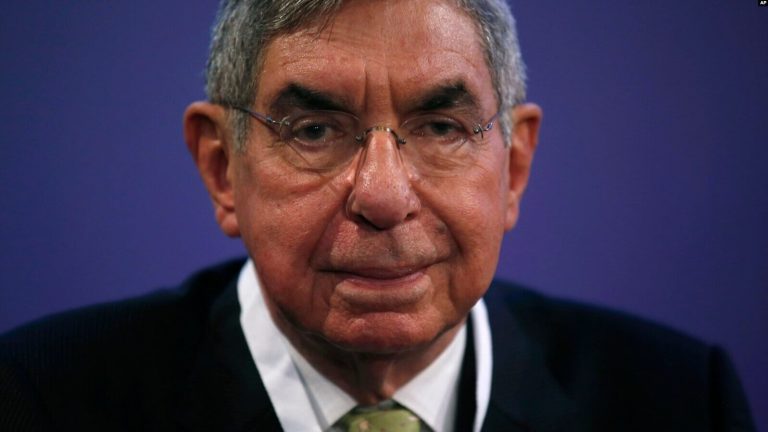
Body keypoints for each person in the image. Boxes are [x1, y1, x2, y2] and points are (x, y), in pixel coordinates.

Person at [0, 0, 756, 431]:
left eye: (440, 128)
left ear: (514, 167)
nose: (384, 196)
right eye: (315, 131)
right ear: (222, 168)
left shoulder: (679, 402)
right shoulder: (41, 401)